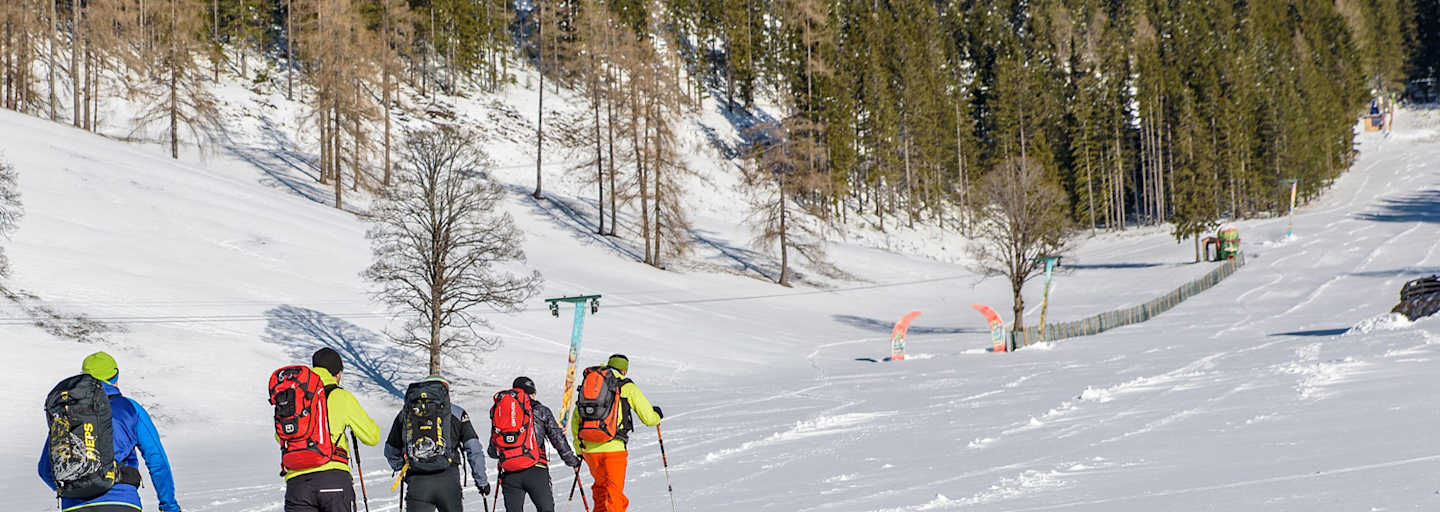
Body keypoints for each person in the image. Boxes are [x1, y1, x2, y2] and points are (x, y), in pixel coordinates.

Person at [38, 351, 182, 512]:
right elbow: (157, 460)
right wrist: (169, 506)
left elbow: (45, 470)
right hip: (122, 501)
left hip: (74, 506)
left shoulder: (68, 413)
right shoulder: (130, 408)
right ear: (115, 378)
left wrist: (72, 490)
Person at [281, 348, 381, 512]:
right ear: (337, 373)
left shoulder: (295, 397)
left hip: (297, 483)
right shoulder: (341, 396)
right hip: (333, 479)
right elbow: (372, 436)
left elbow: (281, 436)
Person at [570, 355, 662, 512]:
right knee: (614, 494)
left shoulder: (591, 384)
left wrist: (579, 448)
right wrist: (657, 415)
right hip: (614, 449)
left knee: (600, 490)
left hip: (590, 449)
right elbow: (648, 418)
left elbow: (576, 419)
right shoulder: (626, 386)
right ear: (624, 370)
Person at [383, 375, 489, 512]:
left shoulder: (405, 414)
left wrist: (404, 467)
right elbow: (473, 449)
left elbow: (390, 450)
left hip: (417, 482)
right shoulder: (456, 412)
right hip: (448, 481)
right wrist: (481, 481)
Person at [489, 376, 581, 512]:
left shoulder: (502, 411)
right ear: (532, 393)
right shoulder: (541, 410)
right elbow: (558, 439)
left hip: (510, 473)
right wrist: (572, 461)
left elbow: (492, 451)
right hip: (536, 468)